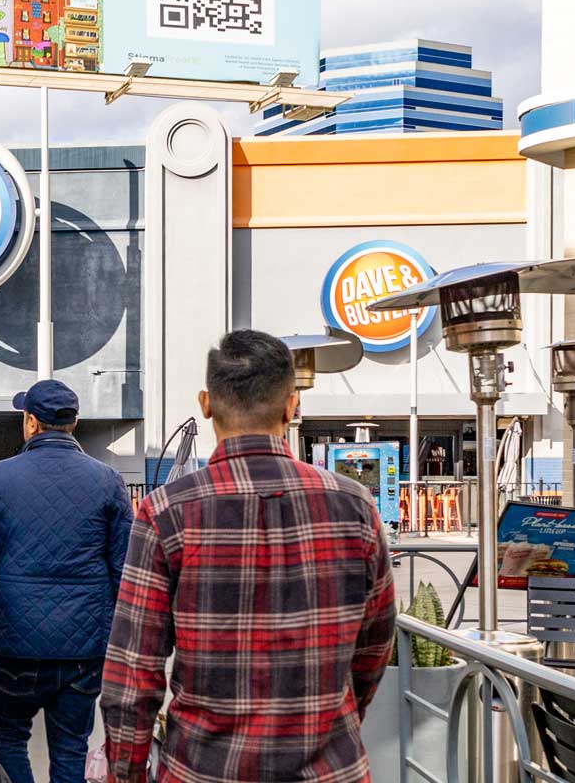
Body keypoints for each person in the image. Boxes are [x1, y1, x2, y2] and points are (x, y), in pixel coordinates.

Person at [101, 330, 397, 783]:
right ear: (291, 405)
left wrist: (126, 774)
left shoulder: (166, 513)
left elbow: (133, 673)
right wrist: (325, 720)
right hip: (329, 769)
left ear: (206, 403)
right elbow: (373, 649)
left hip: (203, 770)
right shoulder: (355, 505)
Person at [0, 379, 133, 783]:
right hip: (83, 647)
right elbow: (123, 568)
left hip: (16, 643)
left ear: (32, 423)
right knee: (72, 745)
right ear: (73, 423)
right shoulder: (108, 480)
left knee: (6, 736)